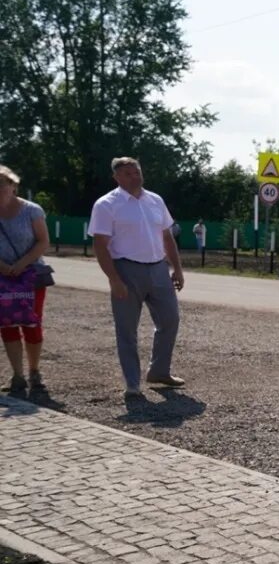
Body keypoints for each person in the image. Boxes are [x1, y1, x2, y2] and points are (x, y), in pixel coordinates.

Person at [88, 157, 186, 400]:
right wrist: (113, 279)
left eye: (137, 171)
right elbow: (100, 245)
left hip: (158, 268)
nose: (135, 176)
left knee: (170, 320)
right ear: (117, 177)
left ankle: (159, 371)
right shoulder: (106, 205)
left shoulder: (155, 200)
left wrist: (178, 268)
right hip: (126, 269)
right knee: (127, 330)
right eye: (128, 173)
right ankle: (132, 383)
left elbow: (167, 237)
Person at [0, 165, 50, 397]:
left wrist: (22, 263)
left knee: (32, 323)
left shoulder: (31, 210)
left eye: (3, 183)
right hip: (2, 276)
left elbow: (42, 241)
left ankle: (34, 371)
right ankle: (17, 375)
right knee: (7, 324)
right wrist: (4, 267)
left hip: (31, 276)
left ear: (13, 185)